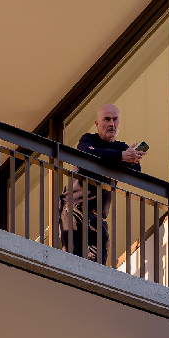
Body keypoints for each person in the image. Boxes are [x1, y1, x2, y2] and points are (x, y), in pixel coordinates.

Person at [58, 103, 146, 264]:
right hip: (73, 207)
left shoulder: (121, 147)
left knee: (97, 263)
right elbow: (88, 153)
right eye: (107, 119)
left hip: (98, 217)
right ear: (97, 123)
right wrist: (121, 156)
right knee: (72, 258)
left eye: (115, 119)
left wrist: (133, 158)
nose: (112, 124)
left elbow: (135, 172)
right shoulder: (88, 139)